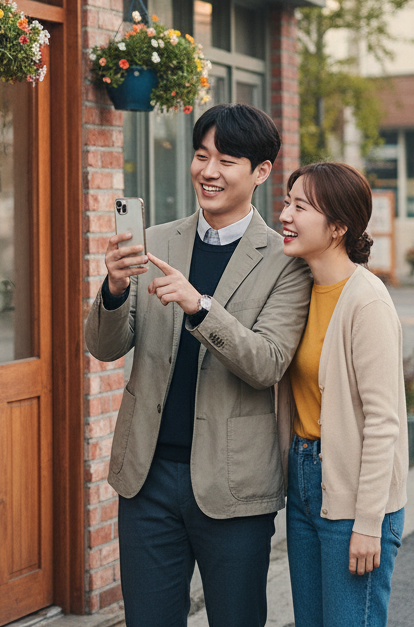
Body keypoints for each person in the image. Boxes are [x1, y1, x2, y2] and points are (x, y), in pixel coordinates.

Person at [85, 103, 312, 627]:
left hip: (233, 486)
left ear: (260, 172)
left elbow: (267, 363)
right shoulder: (156, 241)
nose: (208, 171)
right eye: (201, 155)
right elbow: (103, 347)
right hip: (147, 478)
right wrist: (115, 289)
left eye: (227, 160)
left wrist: (201, 307)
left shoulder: (286, 259)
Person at [278, 163, 407, 627]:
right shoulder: (297, 289)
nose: (284, 215)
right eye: (286, 202)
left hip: (354, 496)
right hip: (305, 481)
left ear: (337, 227)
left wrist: (369, 523)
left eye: (299, 206)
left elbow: (383, 422)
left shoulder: (366, 300)